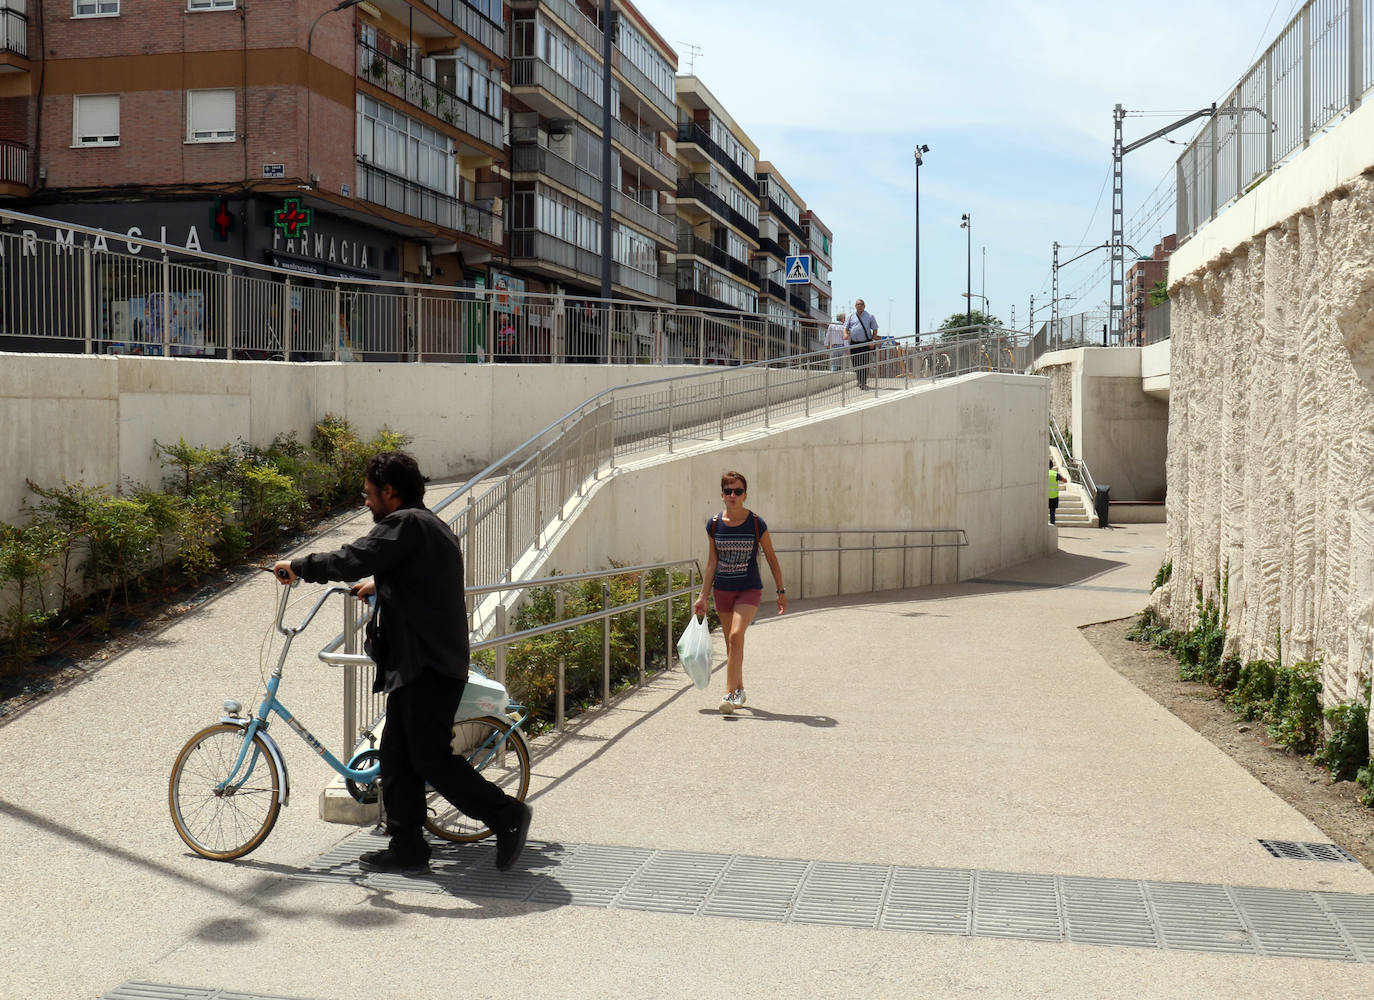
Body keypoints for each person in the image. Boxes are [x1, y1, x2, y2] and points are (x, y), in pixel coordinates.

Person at [272, 451, 532, 874]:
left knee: (429, 757)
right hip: (422, 664)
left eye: (369, 494)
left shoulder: (406, 524)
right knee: (397, 757)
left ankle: (506, 815)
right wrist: (383, 580)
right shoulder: (428, 527)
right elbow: (417, 574)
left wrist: (298, 567)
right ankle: (407, 846)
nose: (367, 502)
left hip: (427, 666)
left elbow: (353, 556)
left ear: (389, 491)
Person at [693, 471, 787, 714]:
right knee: (730, 644)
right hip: (723, 590)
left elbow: (772, 558)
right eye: (728, 491)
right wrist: (703, 596)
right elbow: (712, 562)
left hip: (749, 588)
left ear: (745, 495)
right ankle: (740, 689)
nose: (732, 495)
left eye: (738, 491)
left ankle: (729, 694)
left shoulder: (756, 523)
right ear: (722, 495)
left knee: (736, 636)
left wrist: (780, 590)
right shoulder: (713, 524)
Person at [845, 298, 879, 389]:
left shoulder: (870, 316)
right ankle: (859, 379)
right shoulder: (851, 316)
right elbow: (846, 327)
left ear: (864, 306)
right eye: (857, 304)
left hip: (865, 343)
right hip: (854, 343)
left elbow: (875, 329)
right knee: (855, 363)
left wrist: (873, 341)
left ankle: (862, 381)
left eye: (861, 304)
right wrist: (845, 334)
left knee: (864, 362)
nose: (859, 306)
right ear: (855, 306)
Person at [1048, 460, 1065, 524]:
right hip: (1054, 496)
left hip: (1045, 496)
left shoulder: (1043, 473)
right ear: (1052, 466)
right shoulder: (1055, 474)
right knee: (1052, 512)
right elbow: (1064, 480)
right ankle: (1052, 524)